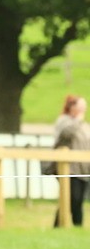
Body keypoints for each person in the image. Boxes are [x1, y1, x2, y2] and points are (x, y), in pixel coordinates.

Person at [50, 95, 89, 227]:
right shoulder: (64, 121)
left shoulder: (84, 125)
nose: (84, 110)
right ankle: (65, 225)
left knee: (77, 200)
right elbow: (65, 134)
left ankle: (72, 226)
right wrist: (77, 121)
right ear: (72, 107)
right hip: (69, 168)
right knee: (71, 198)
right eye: (81, 107)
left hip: (83, 169)